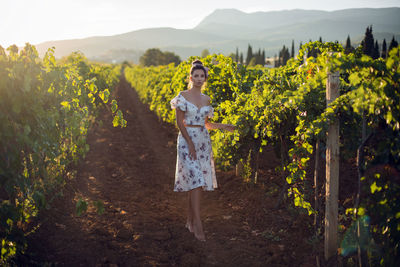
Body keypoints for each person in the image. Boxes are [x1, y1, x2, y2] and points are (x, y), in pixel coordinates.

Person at [170, 60, 235, 241]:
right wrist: (189, 143)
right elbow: (179, 123)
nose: (199, 79)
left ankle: (190, 221)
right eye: (196, 76)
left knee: (195, 183)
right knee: (196, 180)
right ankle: (198, 223)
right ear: (190, 78)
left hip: (203, 142)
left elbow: (206, 124)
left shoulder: (206, 99)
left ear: (205, 78)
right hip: (186, 142)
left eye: (202, 76)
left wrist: (224, 126)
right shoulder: (182, 96)